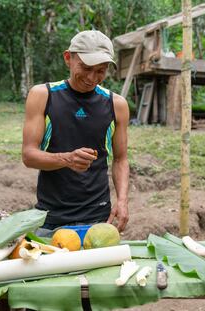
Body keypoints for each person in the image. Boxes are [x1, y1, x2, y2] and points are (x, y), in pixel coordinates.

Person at [22, 30, 130, 236]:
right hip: (50, 218)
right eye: (86, 67)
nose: (92, 78)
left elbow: (121, 159)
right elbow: (28, 156)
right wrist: (67, 159)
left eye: (101, 71)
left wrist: (123, 200)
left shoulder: (116, 104)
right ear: (68, 58)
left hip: (98, 219)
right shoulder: (43, 96)